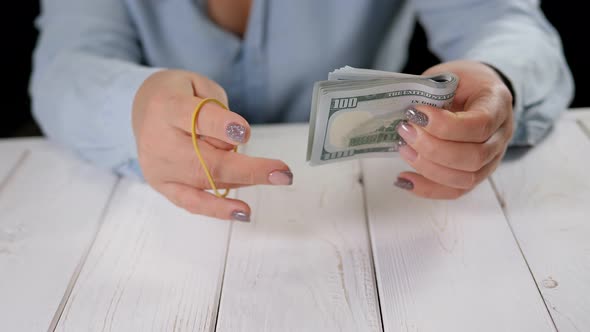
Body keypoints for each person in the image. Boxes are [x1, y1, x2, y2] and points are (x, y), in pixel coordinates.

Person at [29, 0, 574, 222]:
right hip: (152, 231)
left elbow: (507, 22)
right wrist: (135, 104)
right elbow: (65, 65)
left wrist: (498, 79)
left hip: (370, 213)